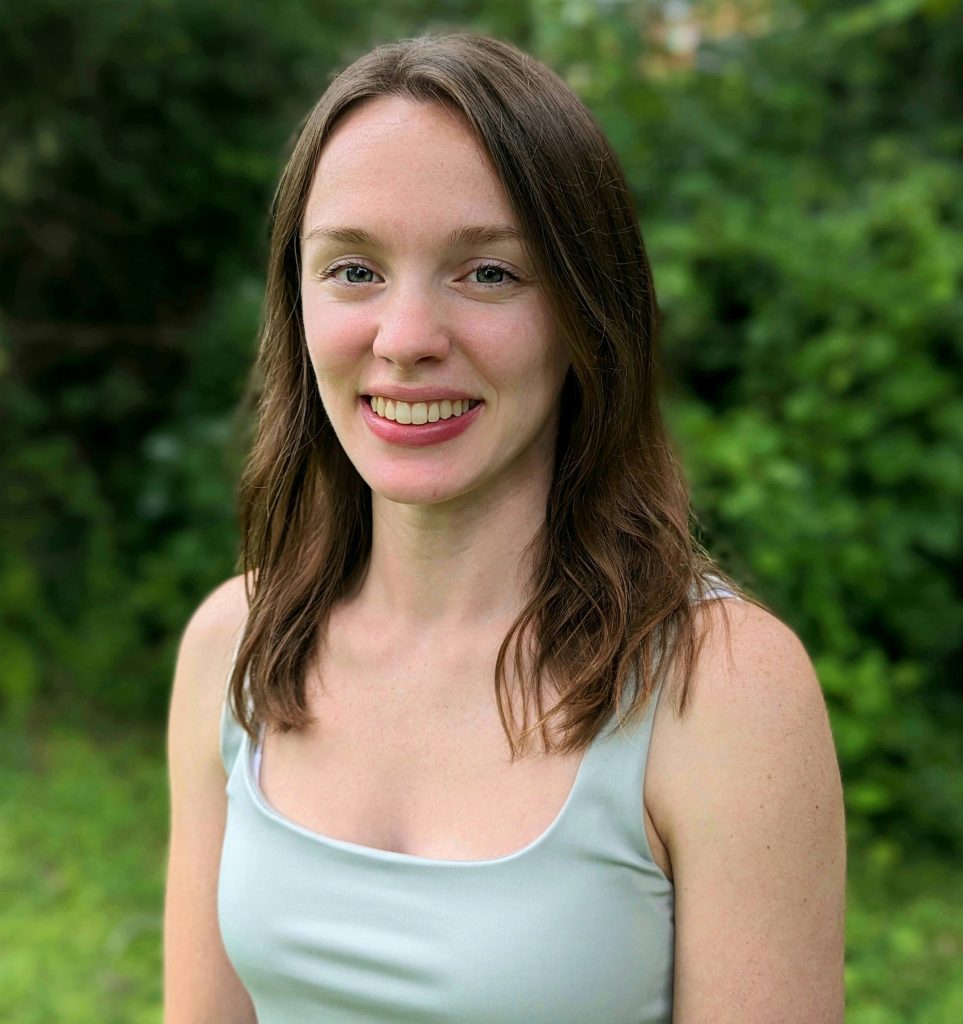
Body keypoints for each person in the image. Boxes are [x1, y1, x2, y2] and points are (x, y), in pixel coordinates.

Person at [163, 32, 846, 1024]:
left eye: (487, 274)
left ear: (587, 315)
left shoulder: (722, 692)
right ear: (293, 302)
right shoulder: (236, 644)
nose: (404, 340)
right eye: (353, 270)